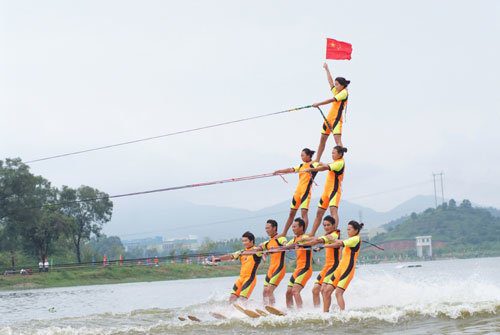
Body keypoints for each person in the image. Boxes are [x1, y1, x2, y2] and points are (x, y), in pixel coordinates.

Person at [274, 148, 320, 234]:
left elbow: (322, 165)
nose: (301, 157)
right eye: (301, 155)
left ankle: (303, 234)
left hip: (305, 193)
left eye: (303, 155)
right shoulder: (301, 166)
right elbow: (290, 169)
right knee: (291, 214)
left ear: (308, 156)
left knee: (304, 214)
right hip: (297, 193)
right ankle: (284, 233)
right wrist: (279, 171)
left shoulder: (314, 164)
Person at [321, 220, 364, 312]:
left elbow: (340, 243)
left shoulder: (356, 239)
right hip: (340, 268)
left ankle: (343, 315)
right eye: (347, 229)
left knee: (338, 292)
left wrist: (331, 240)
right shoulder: (350, 239)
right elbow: (338, 243)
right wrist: (324, 246)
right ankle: (325, 314)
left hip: (348, 269)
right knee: (326, 291)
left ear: (356, 230)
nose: (348, 231)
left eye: (349, 229)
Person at [312, 63, 350, 162]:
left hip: (336, 120)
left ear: (342, 85)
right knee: (322, 140)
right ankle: (317, 160)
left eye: (337, 84)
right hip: (328, 119)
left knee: (338, 142)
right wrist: (327, 69)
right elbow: (330, 82)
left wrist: (318, 104)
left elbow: (331, 100)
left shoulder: (344, 93)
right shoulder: (338, 91)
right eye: (336, 84)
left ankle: (340, 161)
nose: (335, 86)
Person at [301, 215, 341, 308]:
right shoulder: (327, 236)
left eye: (328, 225)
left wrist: (303, 245)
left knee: (324, 289)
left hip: (334, 266)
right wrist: (302, 240)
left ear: (333, 225)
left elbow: (317, 241)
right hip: (326, 267)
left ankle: (326, 311)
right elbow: (316, 239)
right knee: (315, 290)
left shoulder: (334, 235)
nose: (326, 227)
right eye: (324, 225)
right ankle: (317, 310)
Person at [306, 146, 347, 236]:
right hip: (326, 192)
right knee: (319, 212)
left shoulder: (340, 163)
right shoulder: (334, 162)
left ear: (340, 154)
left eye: (334, 153)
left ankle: (334, 231)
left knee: (333, 211)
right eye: (331, 153)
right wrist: (317, 164)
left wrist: (312, 169)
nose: (332, 154)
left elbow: (324, 168)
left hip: (334, 190)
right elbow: (324, 165)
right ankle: (312, 233)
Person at [212, 231, 263, 303]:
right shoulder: (241, 252)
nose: (244, 243)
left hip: (250, 279)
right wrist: (218, 259)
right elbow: (230, 256)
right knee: (232, 298)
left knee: (242, 299)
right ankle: (228, 313)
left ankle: (243, 312)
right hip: (241, 279)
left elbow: (260, 249)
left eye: (246, 241)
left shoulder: (257, 251)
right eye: (243, 241)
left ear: (251, 241)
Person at [256, 219, 287, 306]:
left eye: (268, 228)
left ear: (274, 228)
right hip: (271, 269)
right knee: (265, 291)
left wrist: (275, 249)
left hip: (279, 267)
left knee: (269, 290)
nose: (266, 230)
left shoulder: (281, 238)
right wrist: (259, 249)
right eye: (265, 228)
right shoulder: (268, 242)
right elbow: (260, 247)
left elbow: (286, 246)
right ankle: (264, 308)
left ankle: (272, 308)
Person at [284, 218, 312, 309]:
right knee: (288, 292)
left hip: (305, 268)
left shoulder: (305, 237)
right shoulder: (294, 239)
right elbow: (286, 246)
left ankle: (300, 312)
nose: (293, 228)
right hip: (298, 269)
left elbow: (309, 240)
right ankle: (290, 312)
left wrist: (299, 244)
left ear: (301, 227)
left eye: (295, 227)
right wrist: (272, 249)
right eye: (292, 227)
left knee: (295, 291)